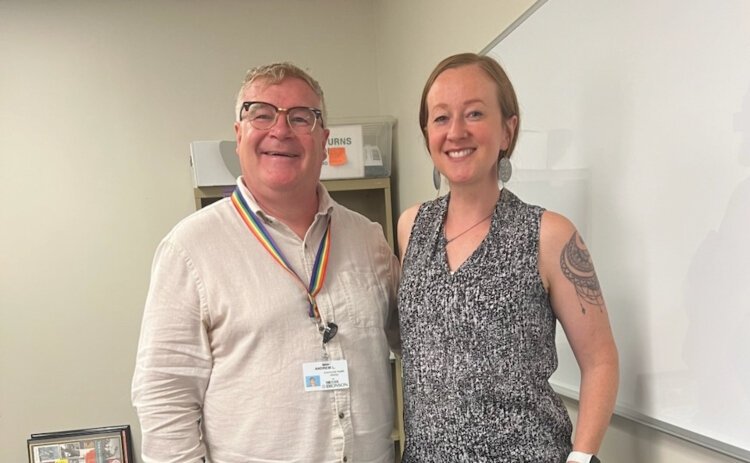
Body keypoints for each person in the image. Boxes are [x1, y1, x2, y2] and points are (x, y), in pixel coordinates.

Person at [132, 62, 400, 463]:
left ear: (323, 139)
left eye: (300, 118)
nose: (281, 130)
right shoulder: (189, 250)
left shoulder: (369, 240)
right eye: (262, 114)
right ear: (239, 134)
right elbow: (164, 395)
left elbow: (421, 346)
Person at [397, 53, 619, 463]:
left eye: (475, 113)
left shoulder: (549, 235)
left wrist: (581, 457)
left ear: (507, 130)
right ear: (427, 132)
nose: (456, 132)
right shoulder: (411, 227)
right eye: (441, 118)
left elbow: (601, 360)